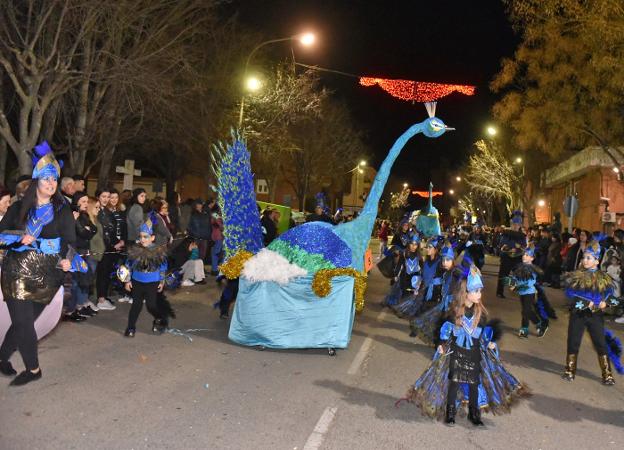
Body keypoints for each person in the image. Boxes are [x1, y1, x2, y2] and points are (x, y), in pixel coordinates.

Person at [403, 266, 528, 425]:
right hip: (456, 355)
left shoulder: (480, 314)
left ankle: (474, 414)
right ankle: (450, 413)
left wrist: (490, 342)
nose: (479, 295)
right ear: (466, 293)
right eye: (476, 291)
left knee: (474, 384)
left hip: (474, 355)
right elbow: (444, 331)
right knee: (454, 384)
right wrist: (441, 344)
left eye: (480, 291)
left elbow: (484, 334)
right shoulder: (454, 313)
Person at [0, 142, 75, 386]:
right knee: (22, 322)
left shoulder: (62, 210)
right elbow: (1, 235)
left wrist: (67, 260)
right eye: (46, 179)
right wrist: (19, 237)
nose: (52, 184)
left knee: (24, 323)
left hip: (48, 277)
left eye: (54, 180)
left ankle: (1, 357)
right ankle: (34, 369)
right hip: (17, 272)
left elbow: (71, 243)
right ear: (36, 182)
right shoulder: (18, 208)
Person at [562, 241, 619, 385]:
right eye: (584, 257)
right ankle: (570, 369)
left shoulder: (604, 278)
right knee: (573, 341)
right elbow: (569, 293)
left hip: (595, 315)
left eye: (589, 258)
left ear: (597, 261)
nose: (585, 260)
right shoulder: (577, 276)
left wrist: (606, 303)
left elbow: (611, 295)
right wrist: (587, 302)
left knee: (600, 343)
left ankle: (607, 374)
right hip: (578, 314)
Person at [121, 214, 171, 337]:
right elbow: (127, 266)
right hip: (137, 281)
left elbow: (163, 267)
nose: (142, 239)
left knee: (151, 305)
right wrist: (127, 281)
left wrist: (162, 281)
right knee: (136, 305)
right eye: (141, 237)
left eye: (146, 237)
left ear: (152, 237)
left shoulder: (158, 251)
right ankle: (130, 328)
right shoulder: (135, 250)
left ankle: (159, 318)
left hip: (152, 282)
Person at [409, 242, 459, 343]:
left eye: (448, 260)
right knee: (433, 320)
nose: (445, 262)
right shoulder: (444, 270)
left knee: (446, 328)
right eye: (444, 260)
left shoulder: (455, 272)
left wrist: (469, 271)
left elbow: (463, 278)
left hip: (450, 305)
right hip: (439, 300)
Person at [65, 192, 98, 321]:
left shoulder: (83, 215)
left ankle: (76, 308)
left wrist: (89, 229)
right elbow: (83, 233)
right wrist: (87, 229)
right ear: (77, 201)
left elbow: (93, 230)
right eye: (83, 201)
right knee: (73, 281)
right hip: (74, 252)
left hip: (82, 251)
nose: (86, 204)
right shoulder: (72, 214)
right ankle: (70, 311)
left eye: (87, 201)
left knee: (81, 280)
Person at [509, 245, 548, 338]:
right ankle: (540, 324)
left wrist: (517, 287)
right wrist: (513, 283)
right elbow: (514, 276)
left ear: (532, 258)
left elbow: (531, 282)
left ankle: (524, 330)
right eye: (524, 254)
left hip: (529, 292)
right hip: (522, 293)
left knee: (525, 312)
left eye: (527, 255)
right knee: (527, 311)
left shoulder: (533, 269)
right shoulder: (520, 266)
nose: (524, 256)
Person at [94, 188, 120, 311]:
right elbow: (101, 232)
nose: (106, 199)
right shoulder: (96, 210)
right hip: (102, 248)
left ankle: (103, 296)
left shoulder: (107, 211)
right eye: (103, 196)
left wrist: (117, 242)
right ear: (98, 196)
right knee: (102, 273)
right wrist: (112, 245)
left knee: (106, 273)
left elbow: (111, 230)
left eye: (108, 196)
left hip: (110, 247)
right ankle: (101, 299)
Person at [496, 211, 526, 298]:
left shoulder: (522, 236)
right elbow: (501, 245)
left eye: (517, 224)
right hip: (506, 258)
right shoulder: (506, 234)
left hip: (517, 258)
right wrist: (508, 249)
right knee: (503, 275)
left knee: (520, 275)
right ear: (511, 224)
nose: (515, 226)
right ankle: (499, 292)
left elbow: (524, 246)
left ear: (520, 225)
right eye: (514, 224)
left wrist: (517, 249)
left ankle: (521, 291)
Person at [209, 203, 224, 276]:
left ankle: (214, 269)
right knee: (216, 253)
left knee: (215, 252)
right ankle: (215, 269)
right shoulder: (215, 214)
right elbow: (220, 225)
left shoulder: (214, 214)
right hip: (218, 236)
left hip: (215, 236)